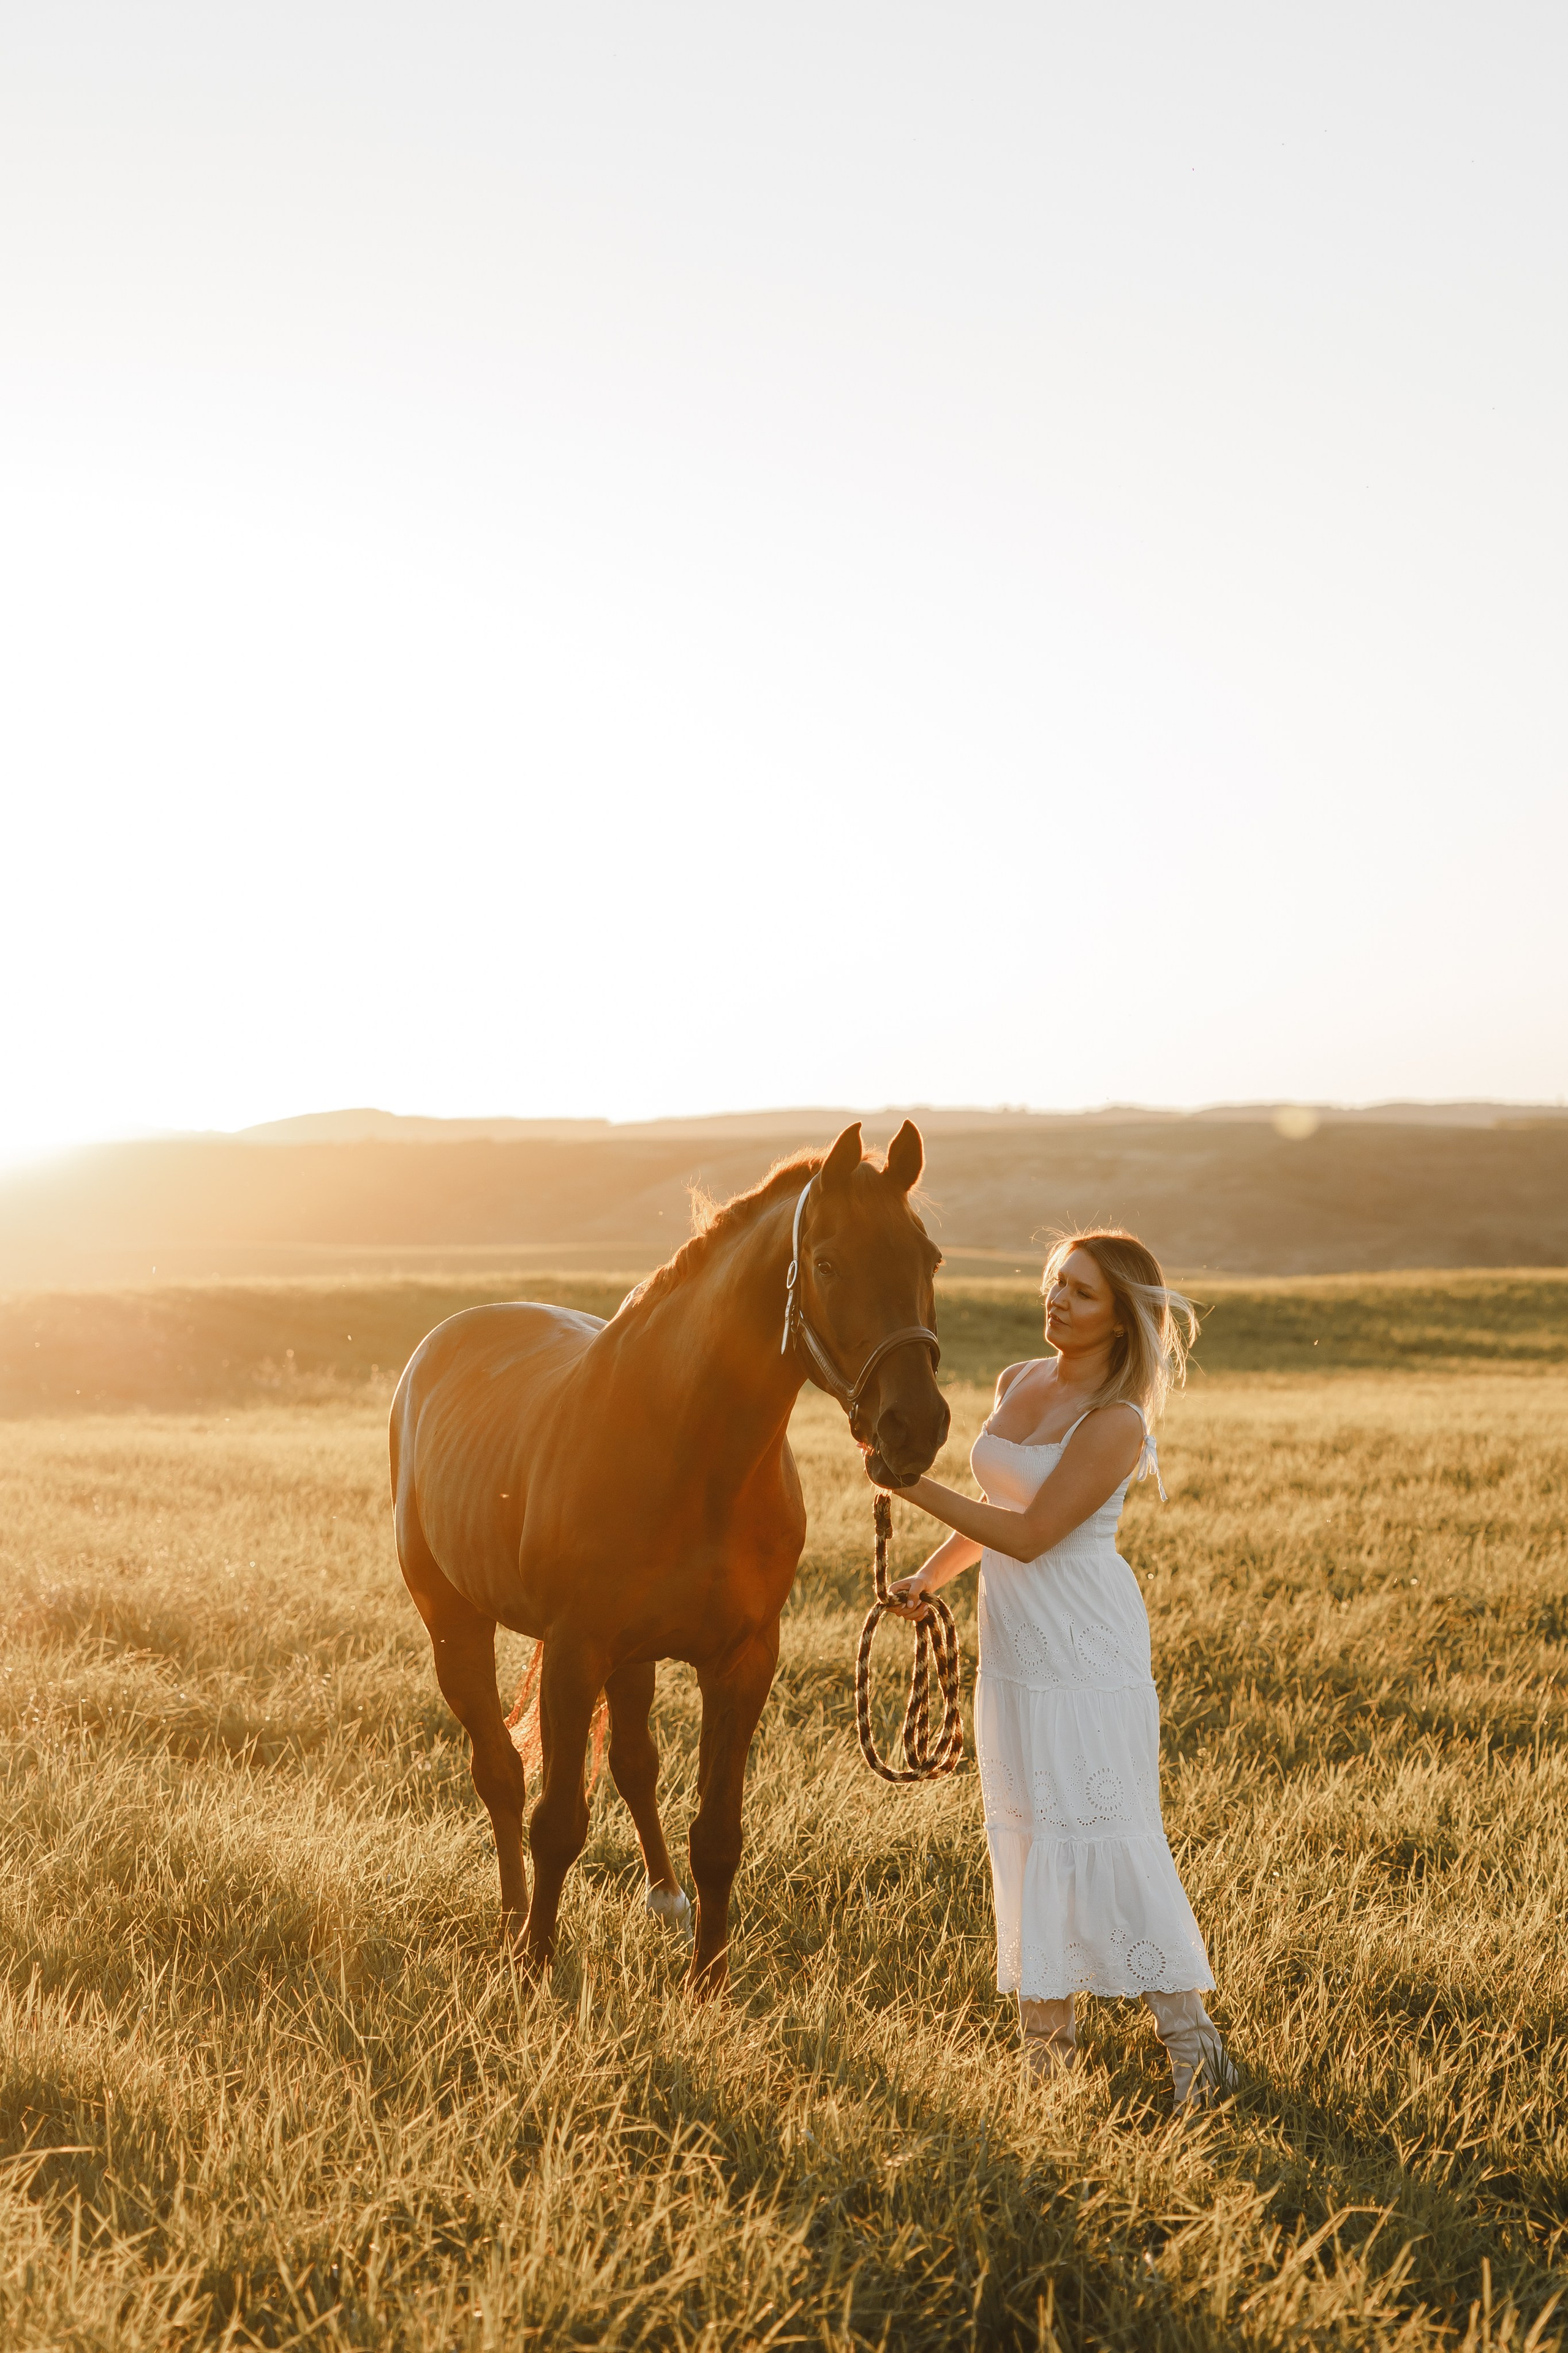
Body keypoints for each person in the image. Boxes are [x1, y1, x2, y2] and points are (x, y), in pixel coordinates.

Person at [883, 1229, 1232, 2105]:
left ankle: (1194, 2045)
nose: (1057, 1300)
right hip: (1015, 1645)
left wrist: (909, 1480)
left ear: (1120, 1319)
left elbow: (1038, 1538)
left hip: (1084, 1641)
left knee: (1105, 1826)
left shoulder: (1116, 1421)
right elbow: (1005, 1508)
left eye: (1080, 1292)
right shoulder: (1017, 1380)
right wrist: (932, 1572)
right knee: (1028, 1829)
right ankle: (1049, 2049)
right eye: (1055, 1283)